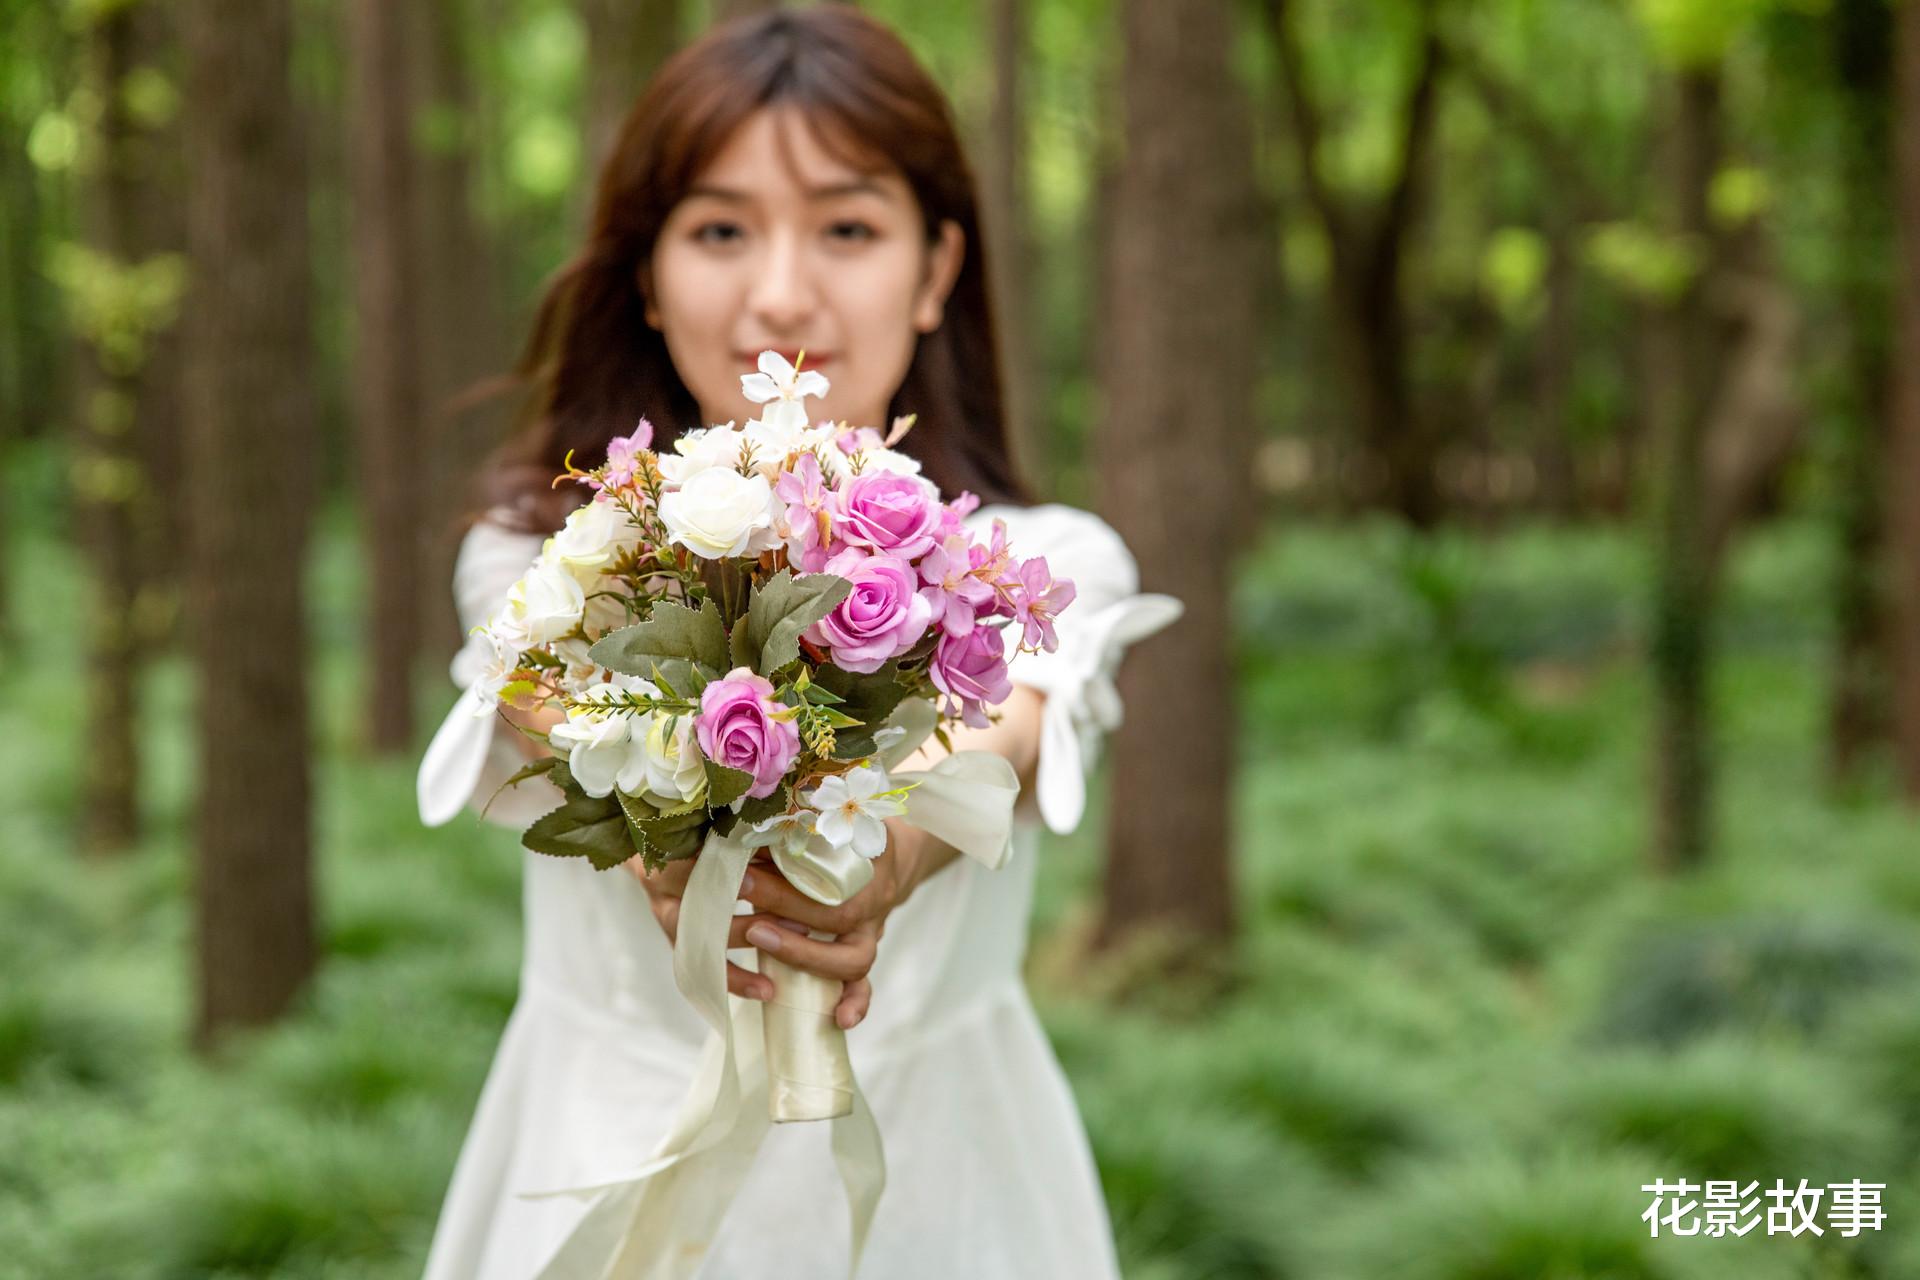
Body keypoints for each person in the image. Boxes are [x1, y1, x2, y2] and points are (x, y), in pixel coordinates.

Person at [415, 8, 1181, 1278]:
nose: (781, 293)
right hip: (602, 1170)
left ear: (937, 268)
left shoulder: (1044, 563)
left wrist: (888, 849)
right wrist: (672, 835)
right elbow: (542, 697)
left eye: (847, 227)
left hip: (951, 1196)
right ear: (646, 276)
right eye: (720, 230)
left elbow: (1013, 722)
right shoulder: (543, 554)